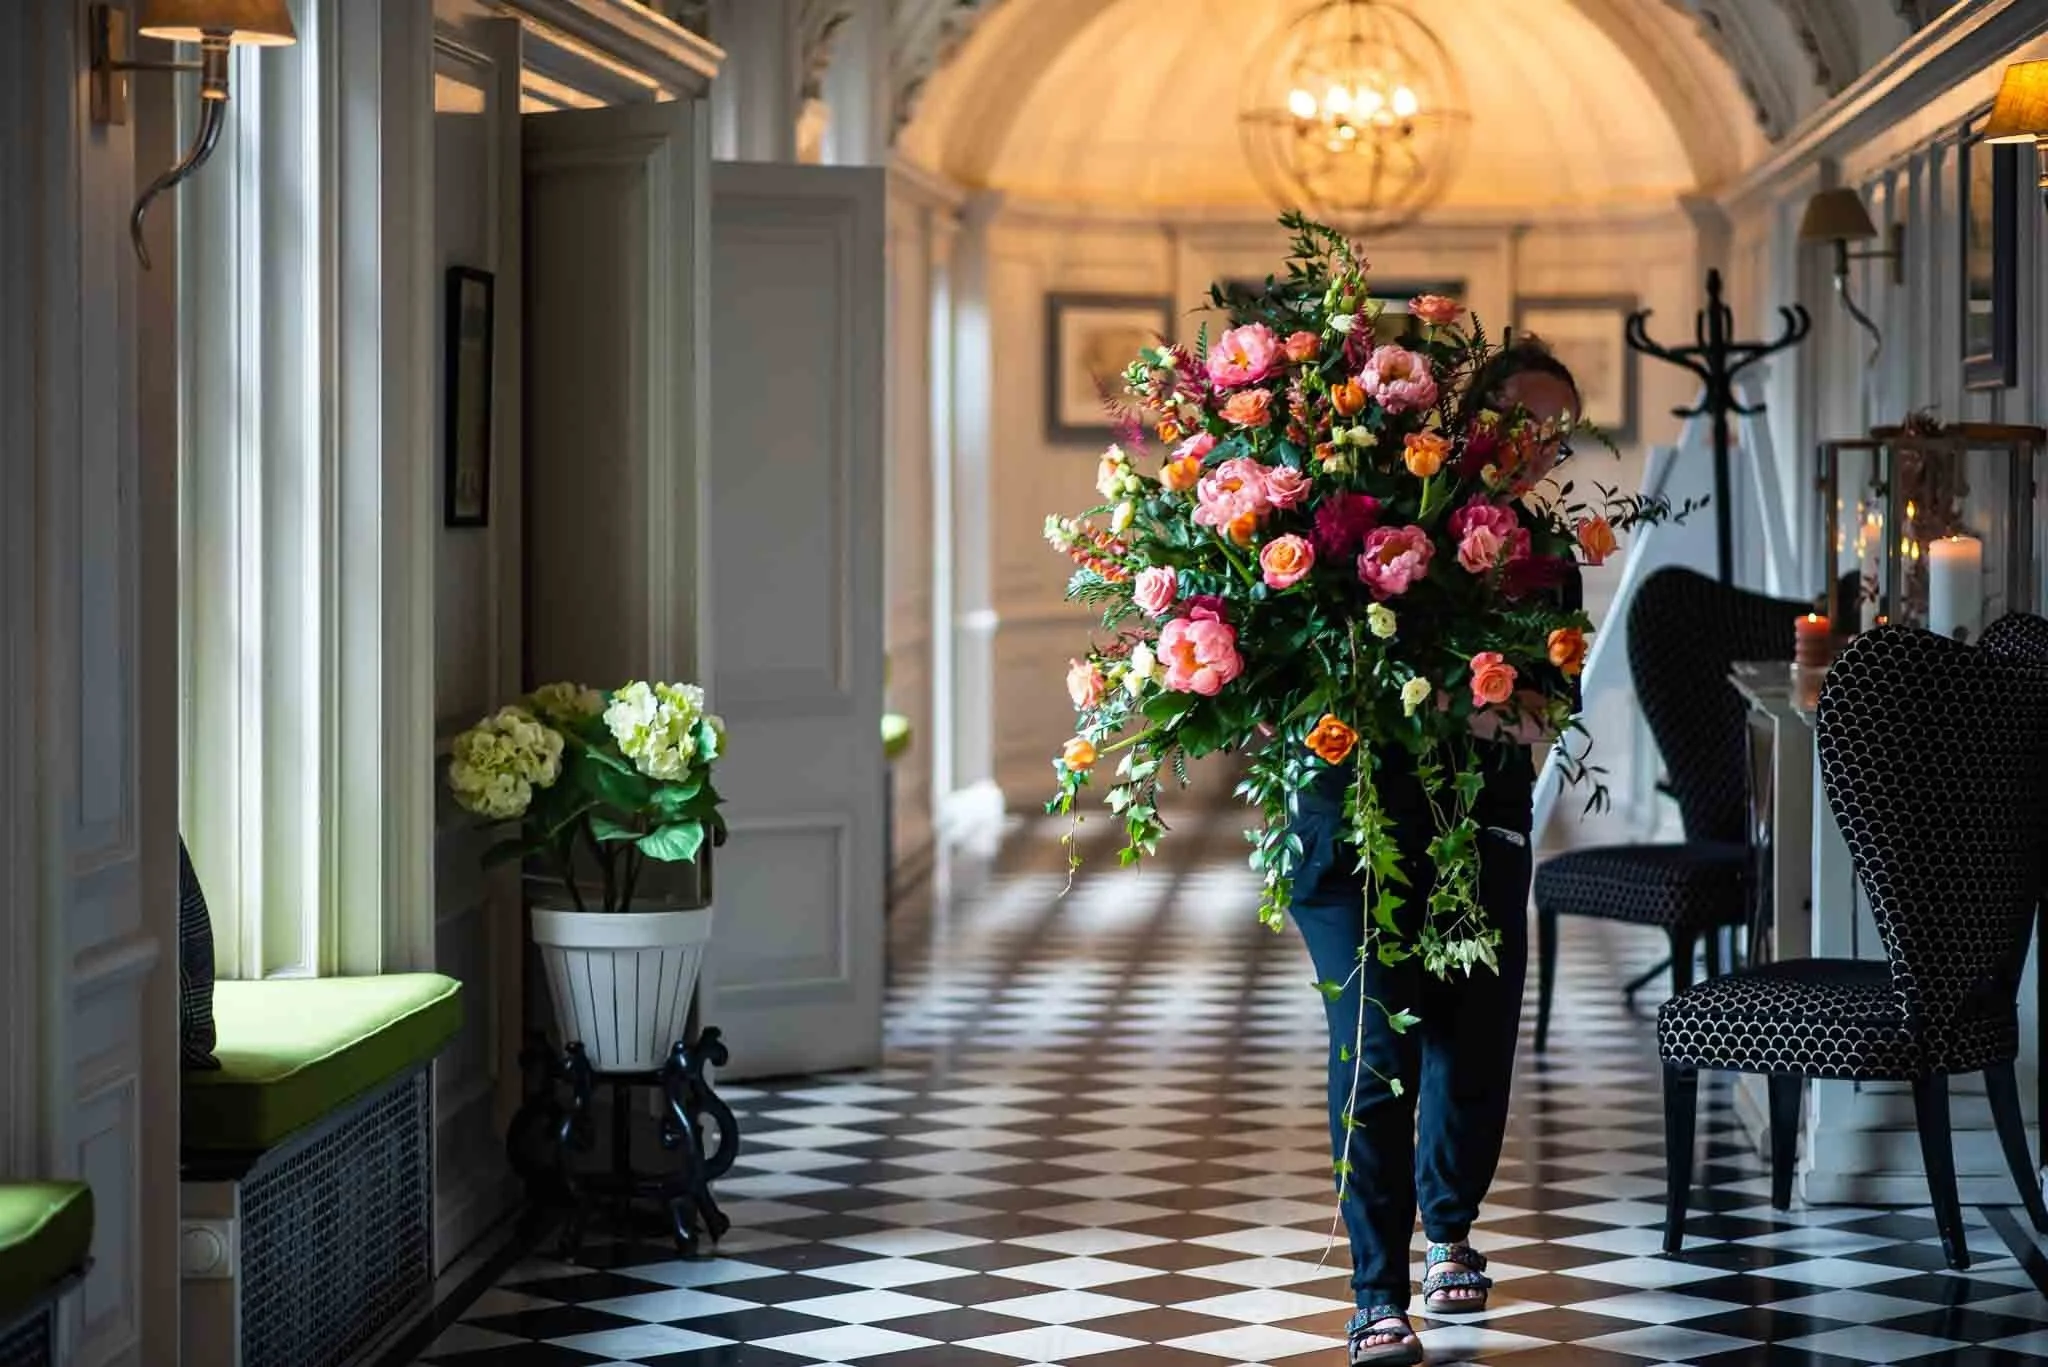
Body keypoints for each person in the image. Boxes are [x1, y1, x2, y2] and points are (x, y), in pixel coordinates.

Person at [1290, 338, 1584, 1366]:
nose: (1533, 445)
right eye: (1518, 420)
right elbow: (1311, 667)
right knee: (1374, 1049)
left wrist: (1483, 703)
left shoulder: (1546, 553)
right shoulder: (1376, 512)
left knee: (1470, 1045)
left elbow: (1549, 699)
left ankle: (1449, 1228)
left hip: (1479, 825)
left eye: (1554, 430)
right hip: (1351, 827)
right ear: (1467, 417)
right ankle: (1375, 1293)